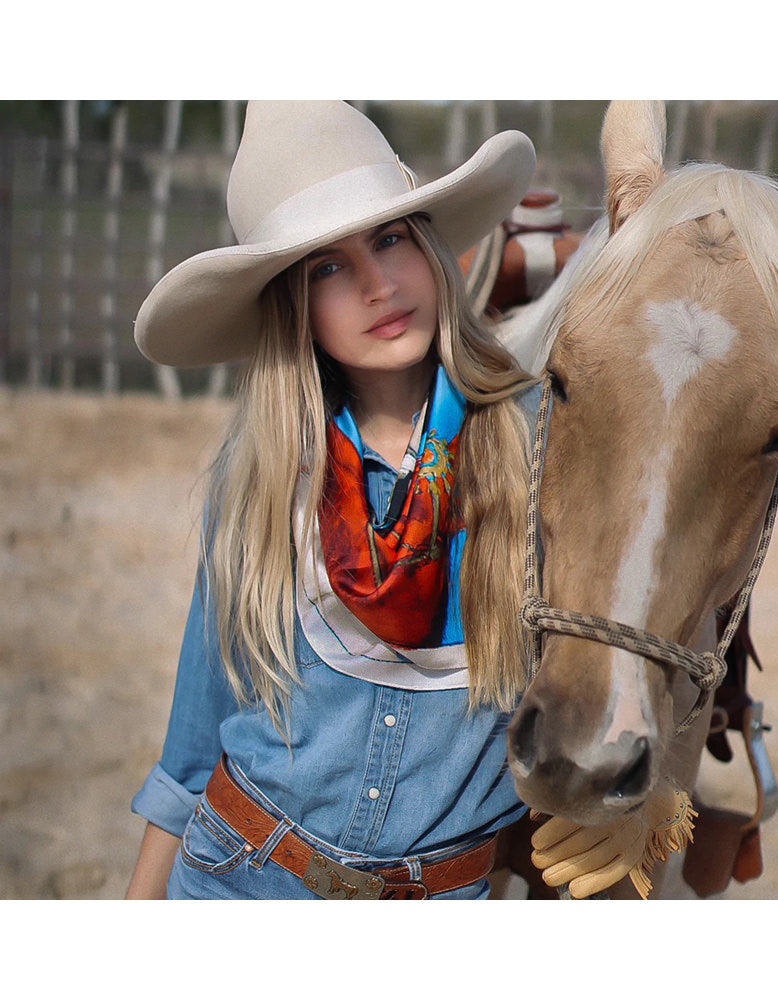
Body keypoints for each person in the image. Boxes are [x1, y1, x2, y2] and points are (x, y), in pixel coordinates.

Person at [126, 100, 549, 900]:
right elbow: (191, 744)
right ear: (294, 307)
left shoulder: (538, 450)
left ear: (430, 248)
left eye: (390, 239)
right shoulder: (260, 477)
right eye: (327, 266)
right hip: (237, 881)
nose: (377, 285)